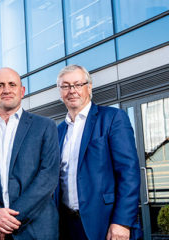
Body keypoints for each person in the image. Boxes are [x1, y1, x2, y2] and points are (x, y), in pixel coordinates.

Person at [0, 67, 60, 240]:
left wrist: (7, 221)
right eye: (0, 85)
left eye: (12, 84)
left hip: (35, 230)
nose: (6, 90)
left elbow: (47, 177)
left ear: (22, 91)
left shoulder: (45, 127)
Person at [56, 65, 141, 240]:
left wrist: (122, 222)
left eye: (78, 84)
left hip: (106, 223)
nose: (72, 90)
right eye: (65, 86)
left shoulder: (112, 118)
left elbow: (129, 172)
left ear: (89, 86)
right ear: (60, 91)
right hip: (67, 225)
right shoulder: (58, 131)